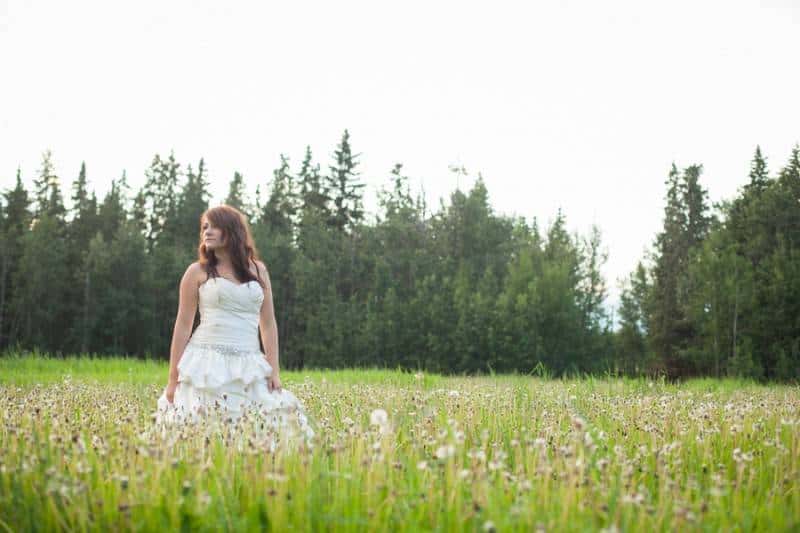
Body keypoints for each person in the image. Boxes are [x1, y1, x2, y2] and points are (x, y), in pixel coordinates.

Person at [154, 205, 314, 445]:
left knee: (267, 425)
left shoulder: (259, 270)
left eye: (214, 226)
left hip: (250, 362)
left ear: (232, 231)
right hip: (205, 363)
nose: (207, 232)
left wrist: (274, 370)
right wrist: (172, 378)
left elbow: (268, 324)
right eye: (204, 227)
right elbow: (183, 326)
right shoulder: (196, 272)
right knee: (202, 429)